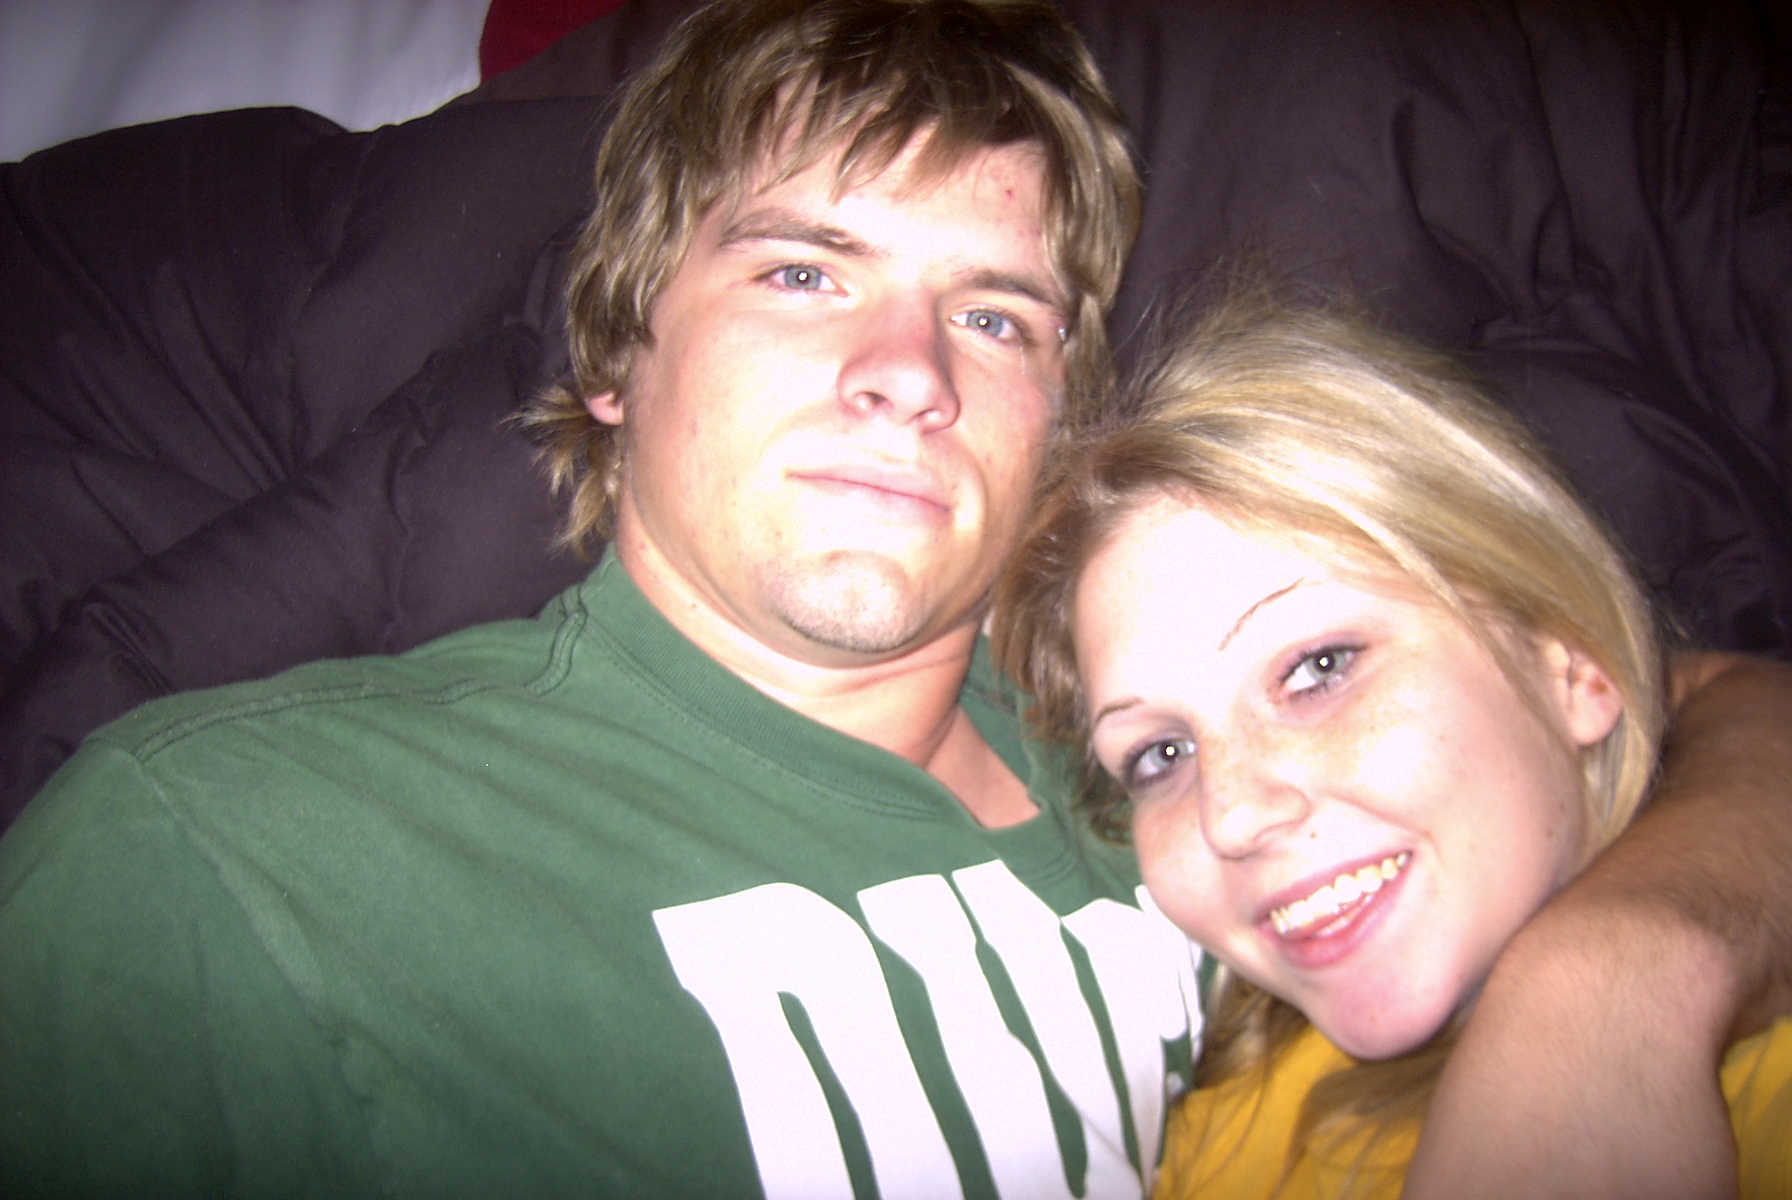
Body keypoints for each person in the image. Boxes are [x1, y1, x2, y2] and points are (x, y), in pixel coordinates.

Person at [0, 1, 1787, 1197]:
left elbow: (1674, 692)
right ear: (615, 353)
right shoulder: (211, 859)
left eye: (996, 315)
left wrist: (1608, 990)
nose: (908, 374)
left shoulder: (1168, 737)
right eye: (804, 272)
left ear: (1059, 413)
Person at [993, 294, 1792, 1198]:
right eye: (1161, 755)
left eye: (1320, 667)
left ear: (1572, 664)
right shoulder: (1227, 1118)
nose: (1234, 815)